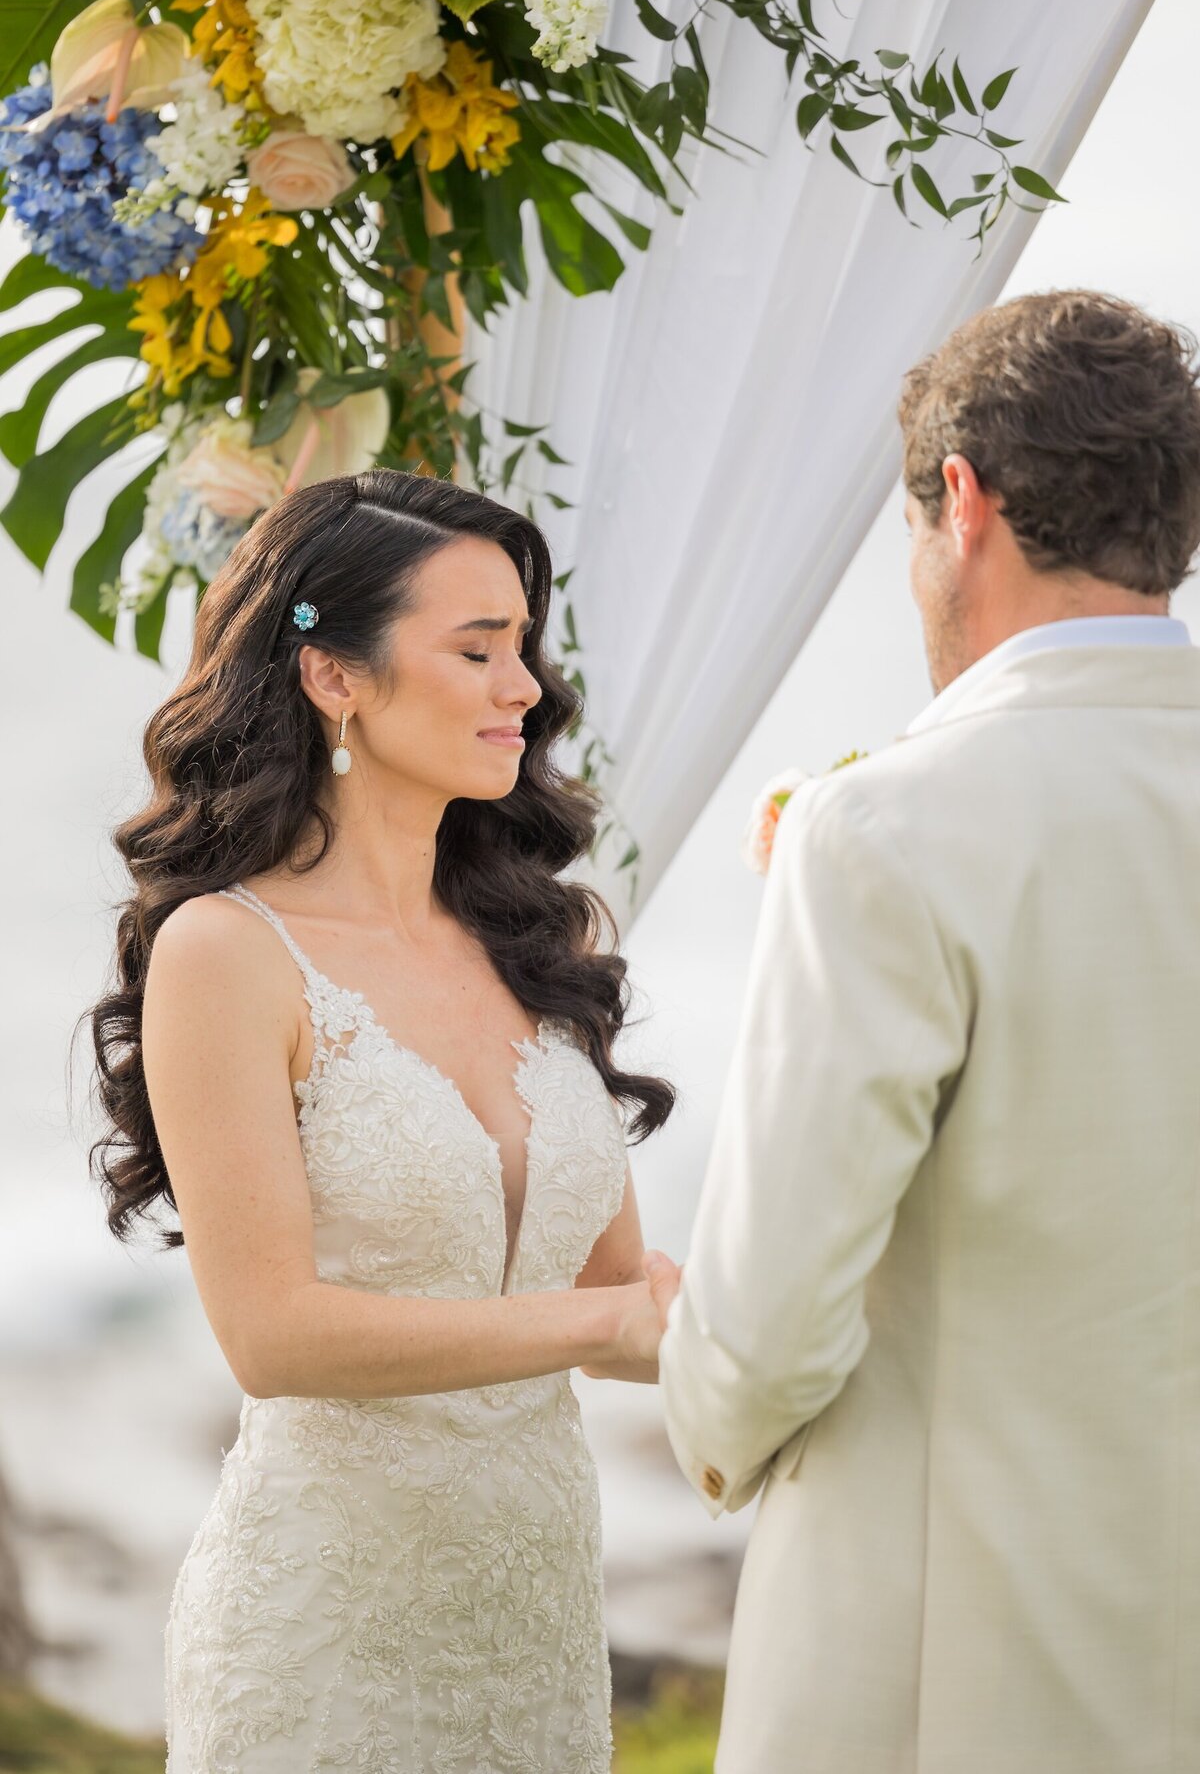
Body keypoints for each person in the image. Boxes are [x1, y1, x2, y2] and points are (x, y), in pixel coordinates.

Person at [642, 289, 1200, 1771]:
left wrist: (693, 1386)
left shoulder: (887, 827)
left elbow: (766, 1323)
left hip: (942, 1653)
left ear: (963, 499)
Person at [84, 469, 675, 1770]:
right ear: (334, 677)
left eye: (522, 646)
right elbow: (272, 1334)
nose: (524, 685)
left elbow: (624, 1292)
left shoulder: (542, 942)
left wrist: (833, 1306)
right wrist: (608, 1323)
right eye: (476, 649)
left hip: (540, 1624)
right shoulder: (226, 953)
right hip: (323, 1636)